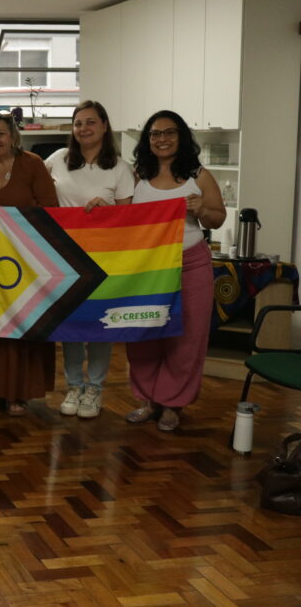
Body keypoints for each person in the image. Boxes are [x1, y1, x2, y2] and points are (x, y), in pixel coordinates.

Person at [126, 110, 225, 432]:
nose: (162, 139)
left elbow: (217, 218)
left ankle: (172, 404)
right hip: (147, 268)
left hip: (191, 265)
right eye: (155, 133)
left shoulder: (199, 175)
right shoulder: (138, 175)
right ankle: (147, 399)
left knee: (187, 337)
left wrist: (203, 209)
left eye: (169, 132)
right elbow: (124, 219)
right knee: (143, 334)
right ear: (147, 140)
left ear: (181, 137)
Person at [0, 112, 59, 416]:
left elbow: (50, 211)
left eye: (0, 133)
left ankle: (20, 392)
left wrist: (5, 215)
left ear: (13, 137)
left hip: (28, 261)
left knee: (23, 323)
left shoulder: (32, 164)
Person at [44, 101, 134, 420]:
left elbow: (128, 217)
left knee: (99, 323)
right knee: (71, 323)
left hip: (104, 256)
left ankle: (94, 388)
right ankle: (73, 385)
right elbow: (34, 191)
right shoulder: (57, 160)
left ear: (105, 126)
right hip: (64, 256)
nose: (83, 128)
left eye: (90, 122)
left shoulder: (120, 168)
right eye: (78, 123)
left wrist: (108, 210)